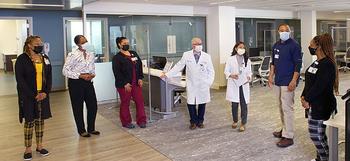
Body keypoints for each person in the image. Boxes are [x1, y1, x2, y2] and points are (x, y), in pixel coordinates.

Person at [161, 37, 215, 130]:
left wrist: (209, 82)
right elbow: (179, 66)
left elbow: (211, 71)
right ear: (193, 45)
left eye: (200, 43)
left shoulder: (206, 56)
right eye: (197, 44)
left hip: (203, 84)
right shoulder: (186, 55)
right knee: (191, 103)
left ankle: (200, 121)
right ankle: (193, 122)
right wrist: (168, 74)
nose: (199, 45)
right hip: (192, 83)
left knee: (202, 103)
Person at [301, 34, 339, 161]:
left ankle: (326, 158)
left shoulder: (327, 64)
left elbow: (319, 86)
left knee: (316, 135)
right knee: (320, 134)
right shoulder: (317, 62)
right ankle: (319, 158)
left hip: (321, 105)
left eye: (311, 45)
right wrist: (303, 95)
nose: (309, 47)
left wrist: (307, 99)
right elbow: (310, 82)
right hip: (313, 103)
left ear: (319, 46)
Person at [15, 35, 52, 160]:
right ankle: (28, 149)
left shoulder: (45, 58)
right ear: (29, 45)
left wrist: (45, 92)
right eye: (37, 43)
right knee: (29, 121)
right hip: (28, 96)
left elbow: (49, 76)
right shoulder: (22, 59)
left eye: (41, 42)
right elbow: (20, 80)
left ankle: (40, 146)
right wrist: (33, 94)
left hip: (43, 95)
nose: (40, 44)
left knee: (40, 121)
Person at [268, 23, 302, 147]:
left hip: (288, 81)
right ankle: (285, 129)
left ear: (289, 31)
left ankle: (289, 136)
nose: (283, 32)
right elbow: (273, 62)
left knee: (287, 108)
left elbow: (298, 65)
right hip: (278, 80)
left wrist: (294, 80)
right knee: (281, 107)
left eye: (285, 30)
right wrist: (271, 75)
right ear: (278, 32)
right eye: (281, 30)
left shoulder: (294, 46)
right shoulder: (276, 45)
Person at [62, 35, 100, 137]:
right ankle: (81, 130)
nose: (86, 43)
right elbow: (65, 71)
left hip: (88, 82)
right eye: (84, 41)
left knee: (93, 106)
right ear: (78, 44)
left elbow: (91, 67)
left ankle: (91, 128)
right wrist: (80, 75)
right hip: (76, 83)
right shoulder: (72, 54)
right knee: (78, 107)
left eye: (86, 41)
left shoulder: (90, 54)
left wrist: (92, 74)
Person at [112, 37, 147, 129]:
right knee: (125, 102)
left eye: (127, 42)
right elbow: (117, 72)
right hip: (125, 84)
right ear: (119, 44)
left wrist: (140, 78)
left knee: (139, 101)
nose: (127, 44)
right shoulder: (117, 58)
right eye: (124, 43)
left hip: (136, 83)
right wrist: (125, 83)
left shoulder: (133, 53)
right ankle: (126, 122)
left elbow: (139, 66)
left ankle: (142, 120)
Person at [224, 42, 252, 132]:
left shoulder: (247, 60)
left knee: (244, 105)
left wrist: (249, 77)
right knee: (234, 104)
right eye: (240, 47)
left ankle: (243, 123)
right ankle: (235, 121)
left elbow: (249, 72)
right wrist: (231, 75)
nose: (242, 49)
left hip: (243, 84)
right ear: (236, 48)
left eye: (243, 47)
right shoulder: (230, 59)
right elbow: (226, 71)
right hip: (234, 84)